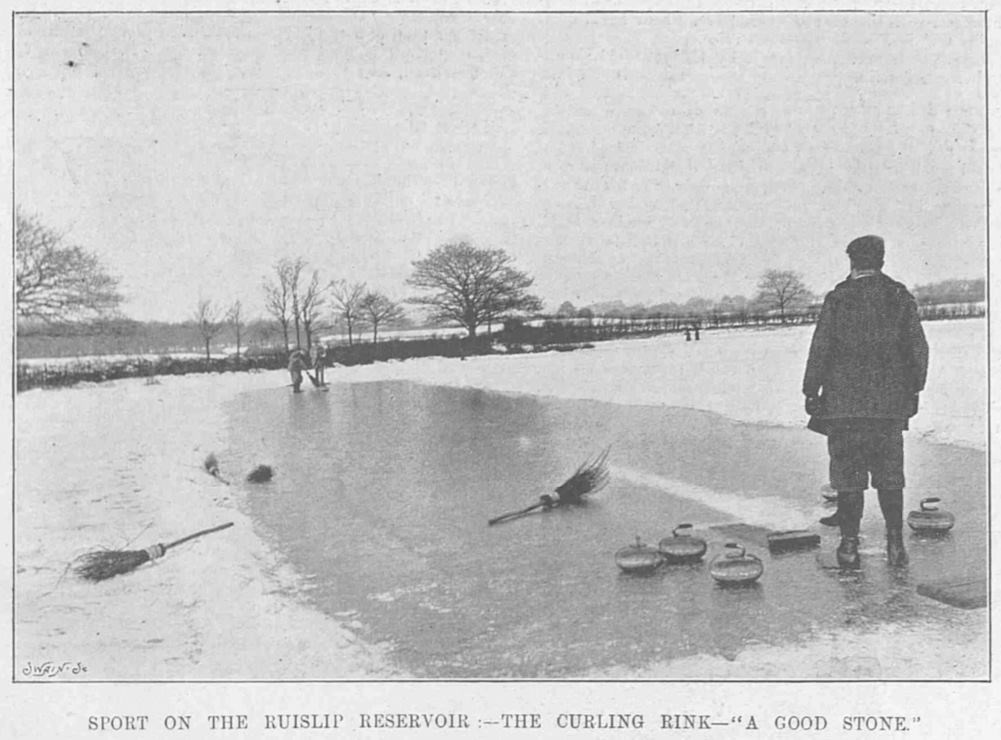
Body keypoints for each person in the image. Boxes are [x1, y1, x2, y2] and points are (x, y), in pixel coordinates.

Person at [803, 235, 929, 569]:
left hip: (844, 409)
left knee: (847, 478)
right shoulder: (898, 296)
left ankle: (848, 546)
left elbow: (821, 347)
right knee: (890, 477)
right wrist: (913, 390)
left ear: (852, 262)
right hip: (888, 409)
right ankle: (896, 545)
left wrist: (810, 389)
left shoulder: (839, 298)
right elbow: (918, 349)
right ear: (882, 261)